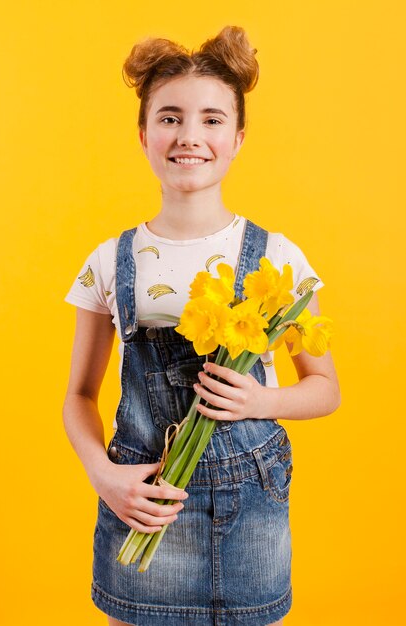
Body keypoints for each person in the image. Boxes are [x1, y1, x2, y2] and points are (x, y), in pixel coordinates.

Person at [62, 25, 341, 626]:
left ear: (239, 138)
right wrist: (103, 475)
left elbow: (326, 389)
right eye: (170, 118)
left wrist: (263, 399)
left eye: (212, 120)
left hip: (253, 508)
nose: (190, 136)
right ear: (143, 135)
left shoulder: (278, 257)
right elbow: (79, 396)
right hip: (146, 500)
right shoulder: (110, 261)